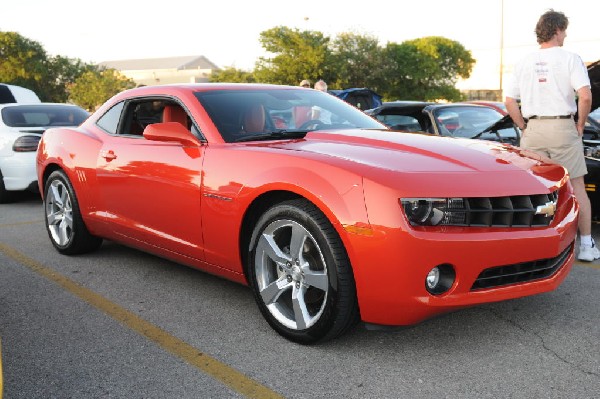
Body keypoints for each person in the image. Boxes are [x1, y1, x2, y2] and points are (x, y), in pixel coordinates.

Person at [504, 10, 595, 261]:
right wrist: (580, 124)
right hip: (562, 128)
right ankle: (586, 247)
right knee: (577, 188)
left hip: (533, 131)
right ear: (557, 30)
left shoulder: (523, 62)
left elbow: (509, 100)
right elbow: (585, 96)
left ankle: (533, 249)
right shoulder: (570, 58)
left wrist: (523, 126)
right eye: (564, 30)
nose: (565, 35)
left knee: (534, 192)